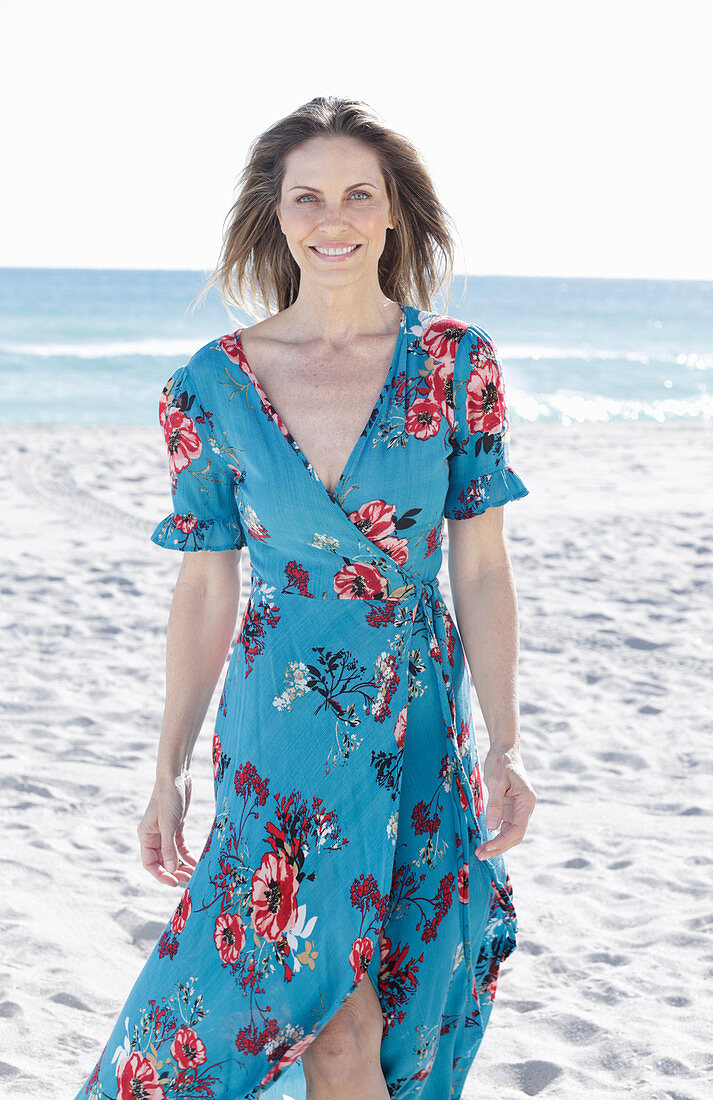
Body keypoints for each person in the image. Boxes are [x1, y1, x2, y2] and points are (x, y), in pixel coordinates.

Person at [75, 95, 537, 1100]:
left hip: (415, 716)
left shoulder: (457, 365)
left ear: (392, 213)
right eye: (308, 197)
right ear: (276, 216)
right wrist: (167, 768)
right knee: (329, 1017)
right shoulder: (210, 386)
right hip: (279, 728)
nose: (334, 219)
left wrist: (504, 742)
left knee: (399, 1007)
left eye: (357, 195)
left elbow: (483, 567)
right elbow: (206, 583)